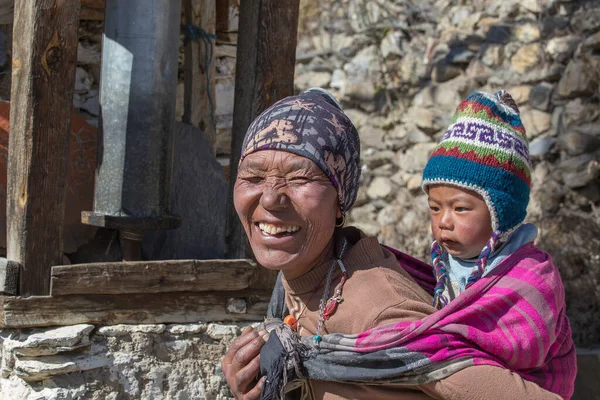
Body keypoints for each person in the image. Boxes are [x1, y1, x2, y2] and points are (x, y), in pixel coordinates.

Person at [221, 88, 568, 400]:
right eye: (252, 176)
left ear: (340, 200)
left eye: (299, 178)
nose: (270, 198)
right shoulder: (294, 282)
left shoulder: (380, 309)